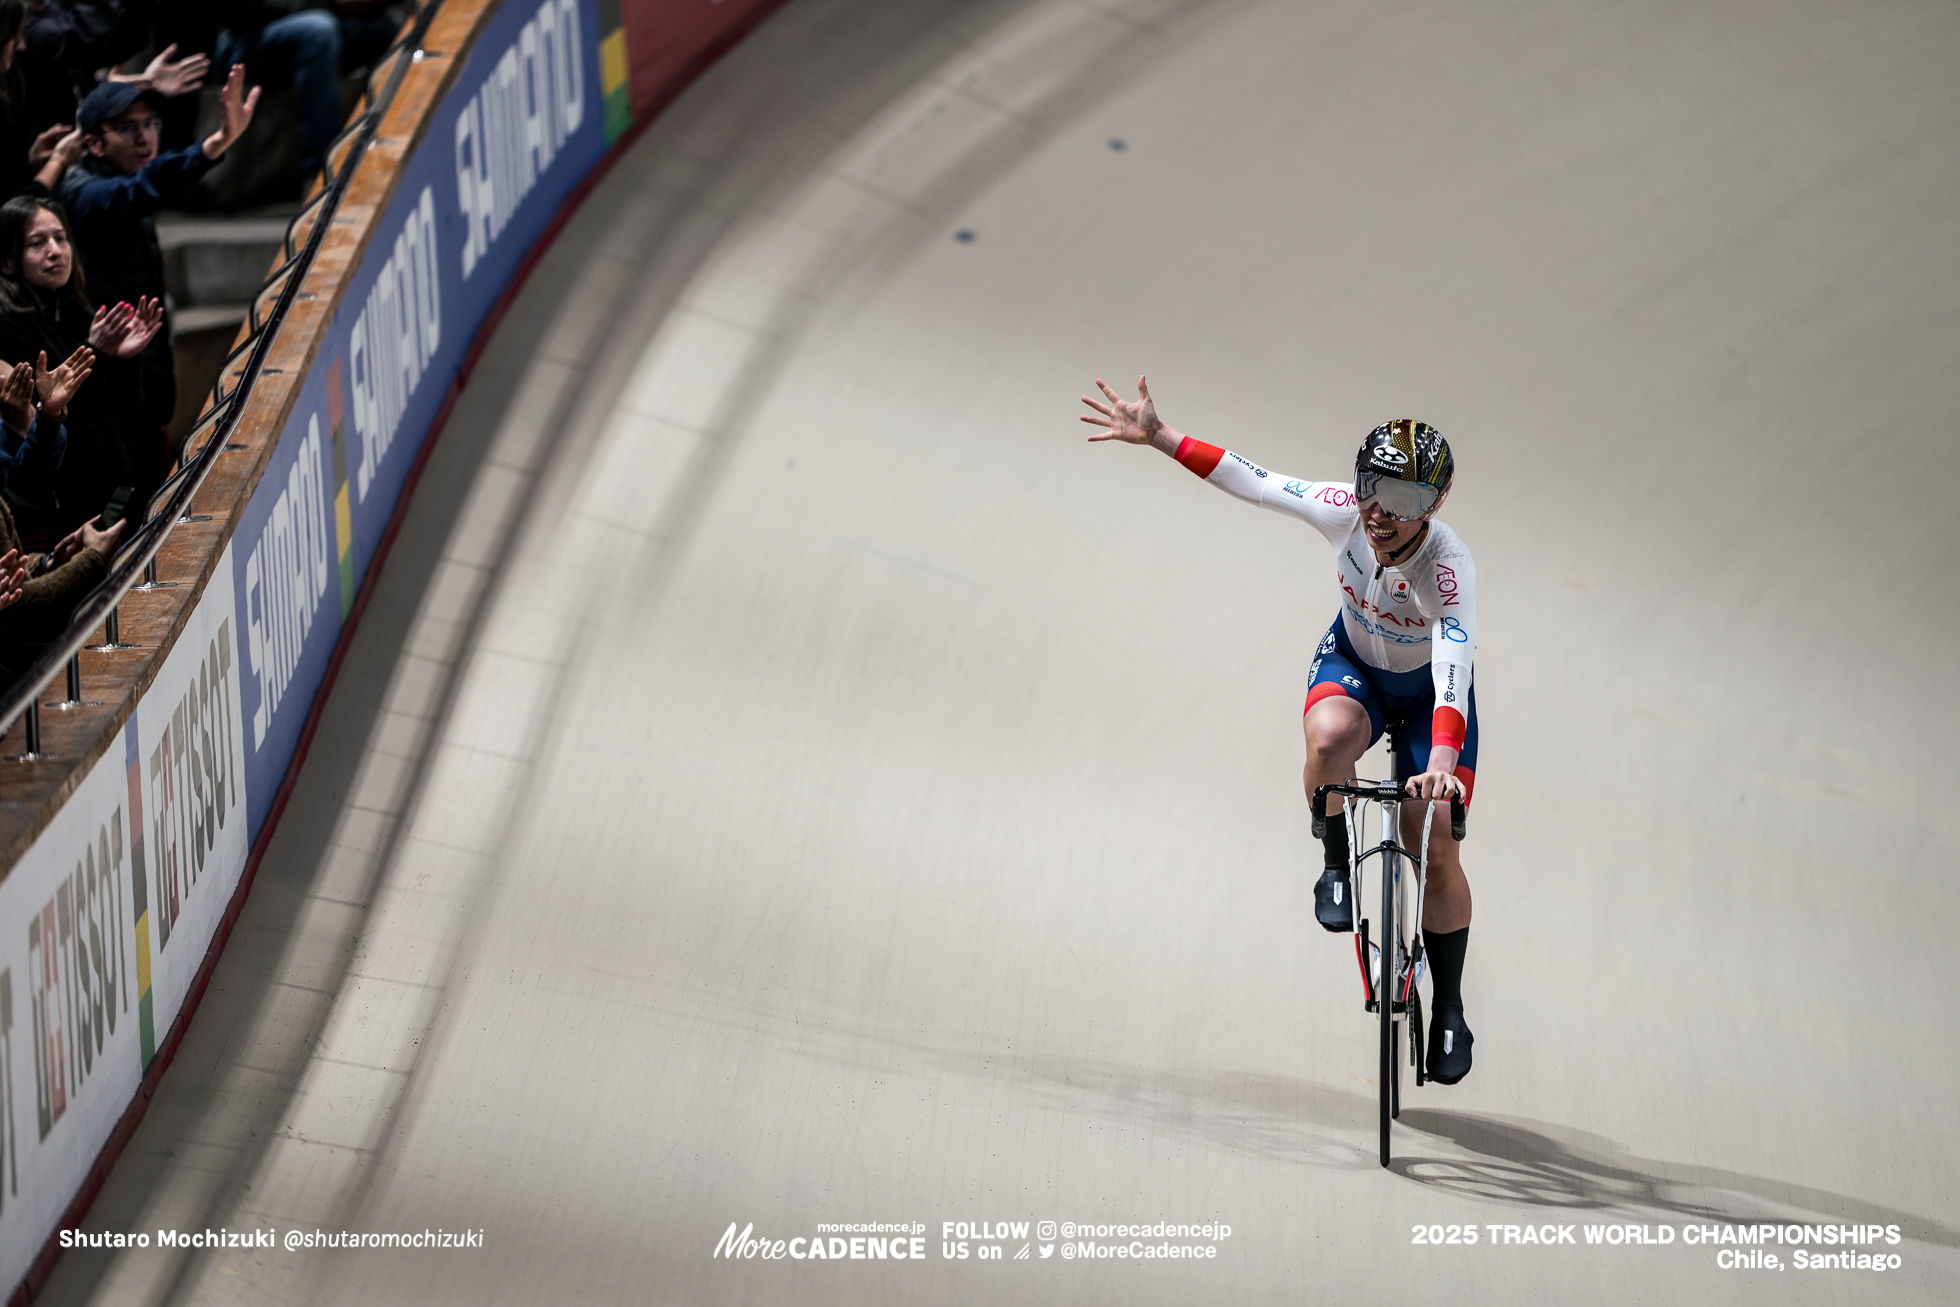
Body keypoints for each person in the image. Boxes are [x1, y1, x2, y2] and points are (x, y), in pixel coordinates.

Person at [1080, 377, 1481, 1085]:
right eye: (1375, 492)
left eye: (1409, 502)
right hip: (1356, 665)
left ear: (1436, 506)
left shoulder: (1447, 570)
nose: (1384, 515)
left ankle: (1448, 1006)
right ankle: (1333, 857)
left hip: (1428, 701)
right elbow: (1254, 480)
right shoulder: (1343, 515)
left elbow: (1453, 666)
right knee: (1328, 741)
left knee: (1437, 832)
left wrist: (1442, 759)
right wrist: (1163, 436)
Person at [0, 193, 157, 543]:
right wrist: (95, 352)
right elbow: (45, 435)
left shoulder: (82, 314)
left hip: (111, 498)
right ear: (8, 262)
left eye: (60, 238)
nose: (55, 250)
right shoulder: (7, 329)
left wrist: (125, 360)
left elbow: (124, 418)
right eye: (37, 243)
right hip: (58, 520)